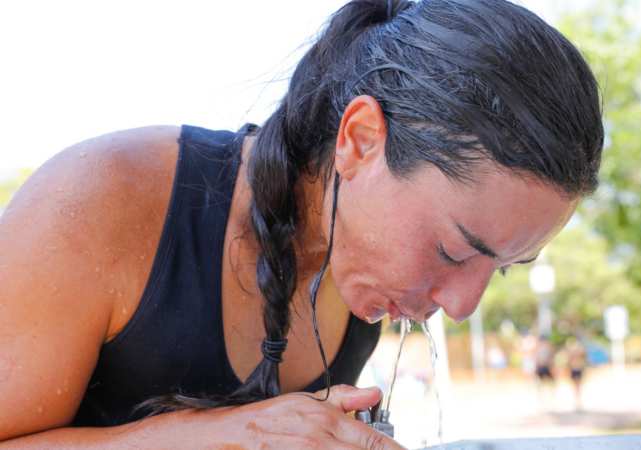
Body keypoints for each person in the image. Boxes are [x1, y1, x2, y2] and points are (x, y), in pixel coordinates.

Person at [0, 0, 603, 447]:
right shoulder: (103, 198)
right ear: (360, 141)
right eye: (451, 250)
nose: (463, 304)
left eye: (498, 269)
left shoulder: (363, 275)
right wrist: (208, 437)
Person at [565, 337, 588, 411]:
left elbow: (584, 358)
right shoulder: (574, 351)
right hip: (574, 369)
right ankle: (577, 402)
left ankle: (578, 402)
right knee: (576, 386)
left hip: (578, 368)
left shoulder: (579, 351)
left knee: (578, 386)